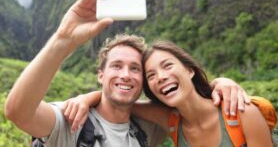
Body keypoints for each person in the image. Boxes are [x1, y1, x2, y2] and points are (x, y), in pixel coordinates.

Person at [4, 0, 249, 146]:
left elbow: (193, 105)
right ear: (101, 75)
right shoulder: (72, 120)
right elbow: (18, 112)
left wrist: (220, 83)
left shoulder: (151, 127)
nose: (125, 74)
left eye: (135, 69)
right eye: (116, 66)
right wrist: (62, 39)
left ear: (143, 81)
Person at [64, 40, 272, 146]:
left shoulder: (240, 112)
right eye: (151, 75)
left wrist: (222, 81)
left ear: (189, 70)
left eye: (167, 66)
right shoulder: (171, 120)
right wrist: (85, 98)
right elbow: (118, 101)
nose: (161, 77)